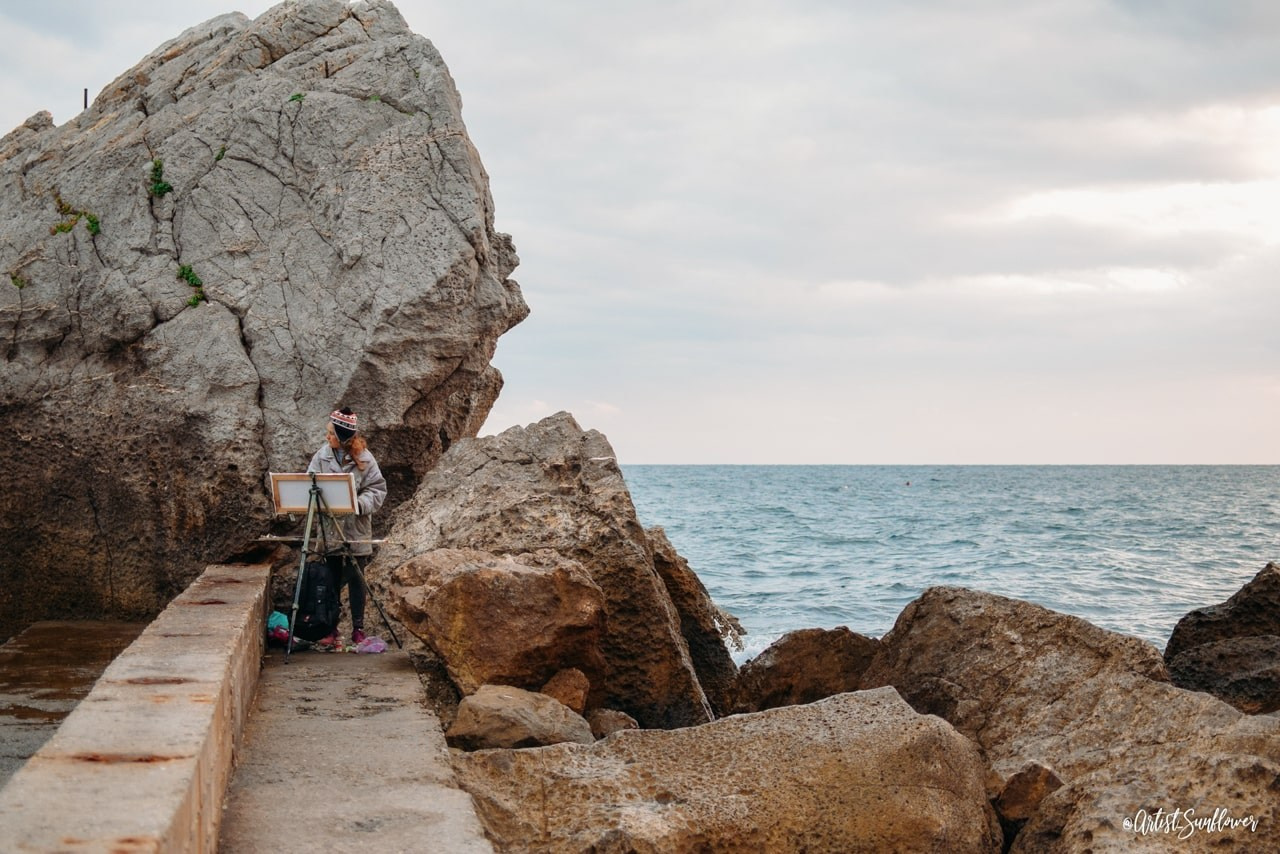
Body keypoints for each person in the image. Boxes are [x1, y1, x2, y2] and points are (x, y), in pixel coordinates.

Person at [306, 407, 387, 650]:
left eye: (330, 433)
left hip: (356, 528)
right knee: (330, 577)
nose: (326, 437)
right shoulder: (321, 456)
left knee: (356, 576)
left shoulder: (365, 459)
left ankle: (358, 629)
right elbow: (309, 481)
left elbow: (377, 490)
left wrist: (357, 504)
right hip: (329, 527)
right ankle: (331, 628)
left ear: (342, 437)